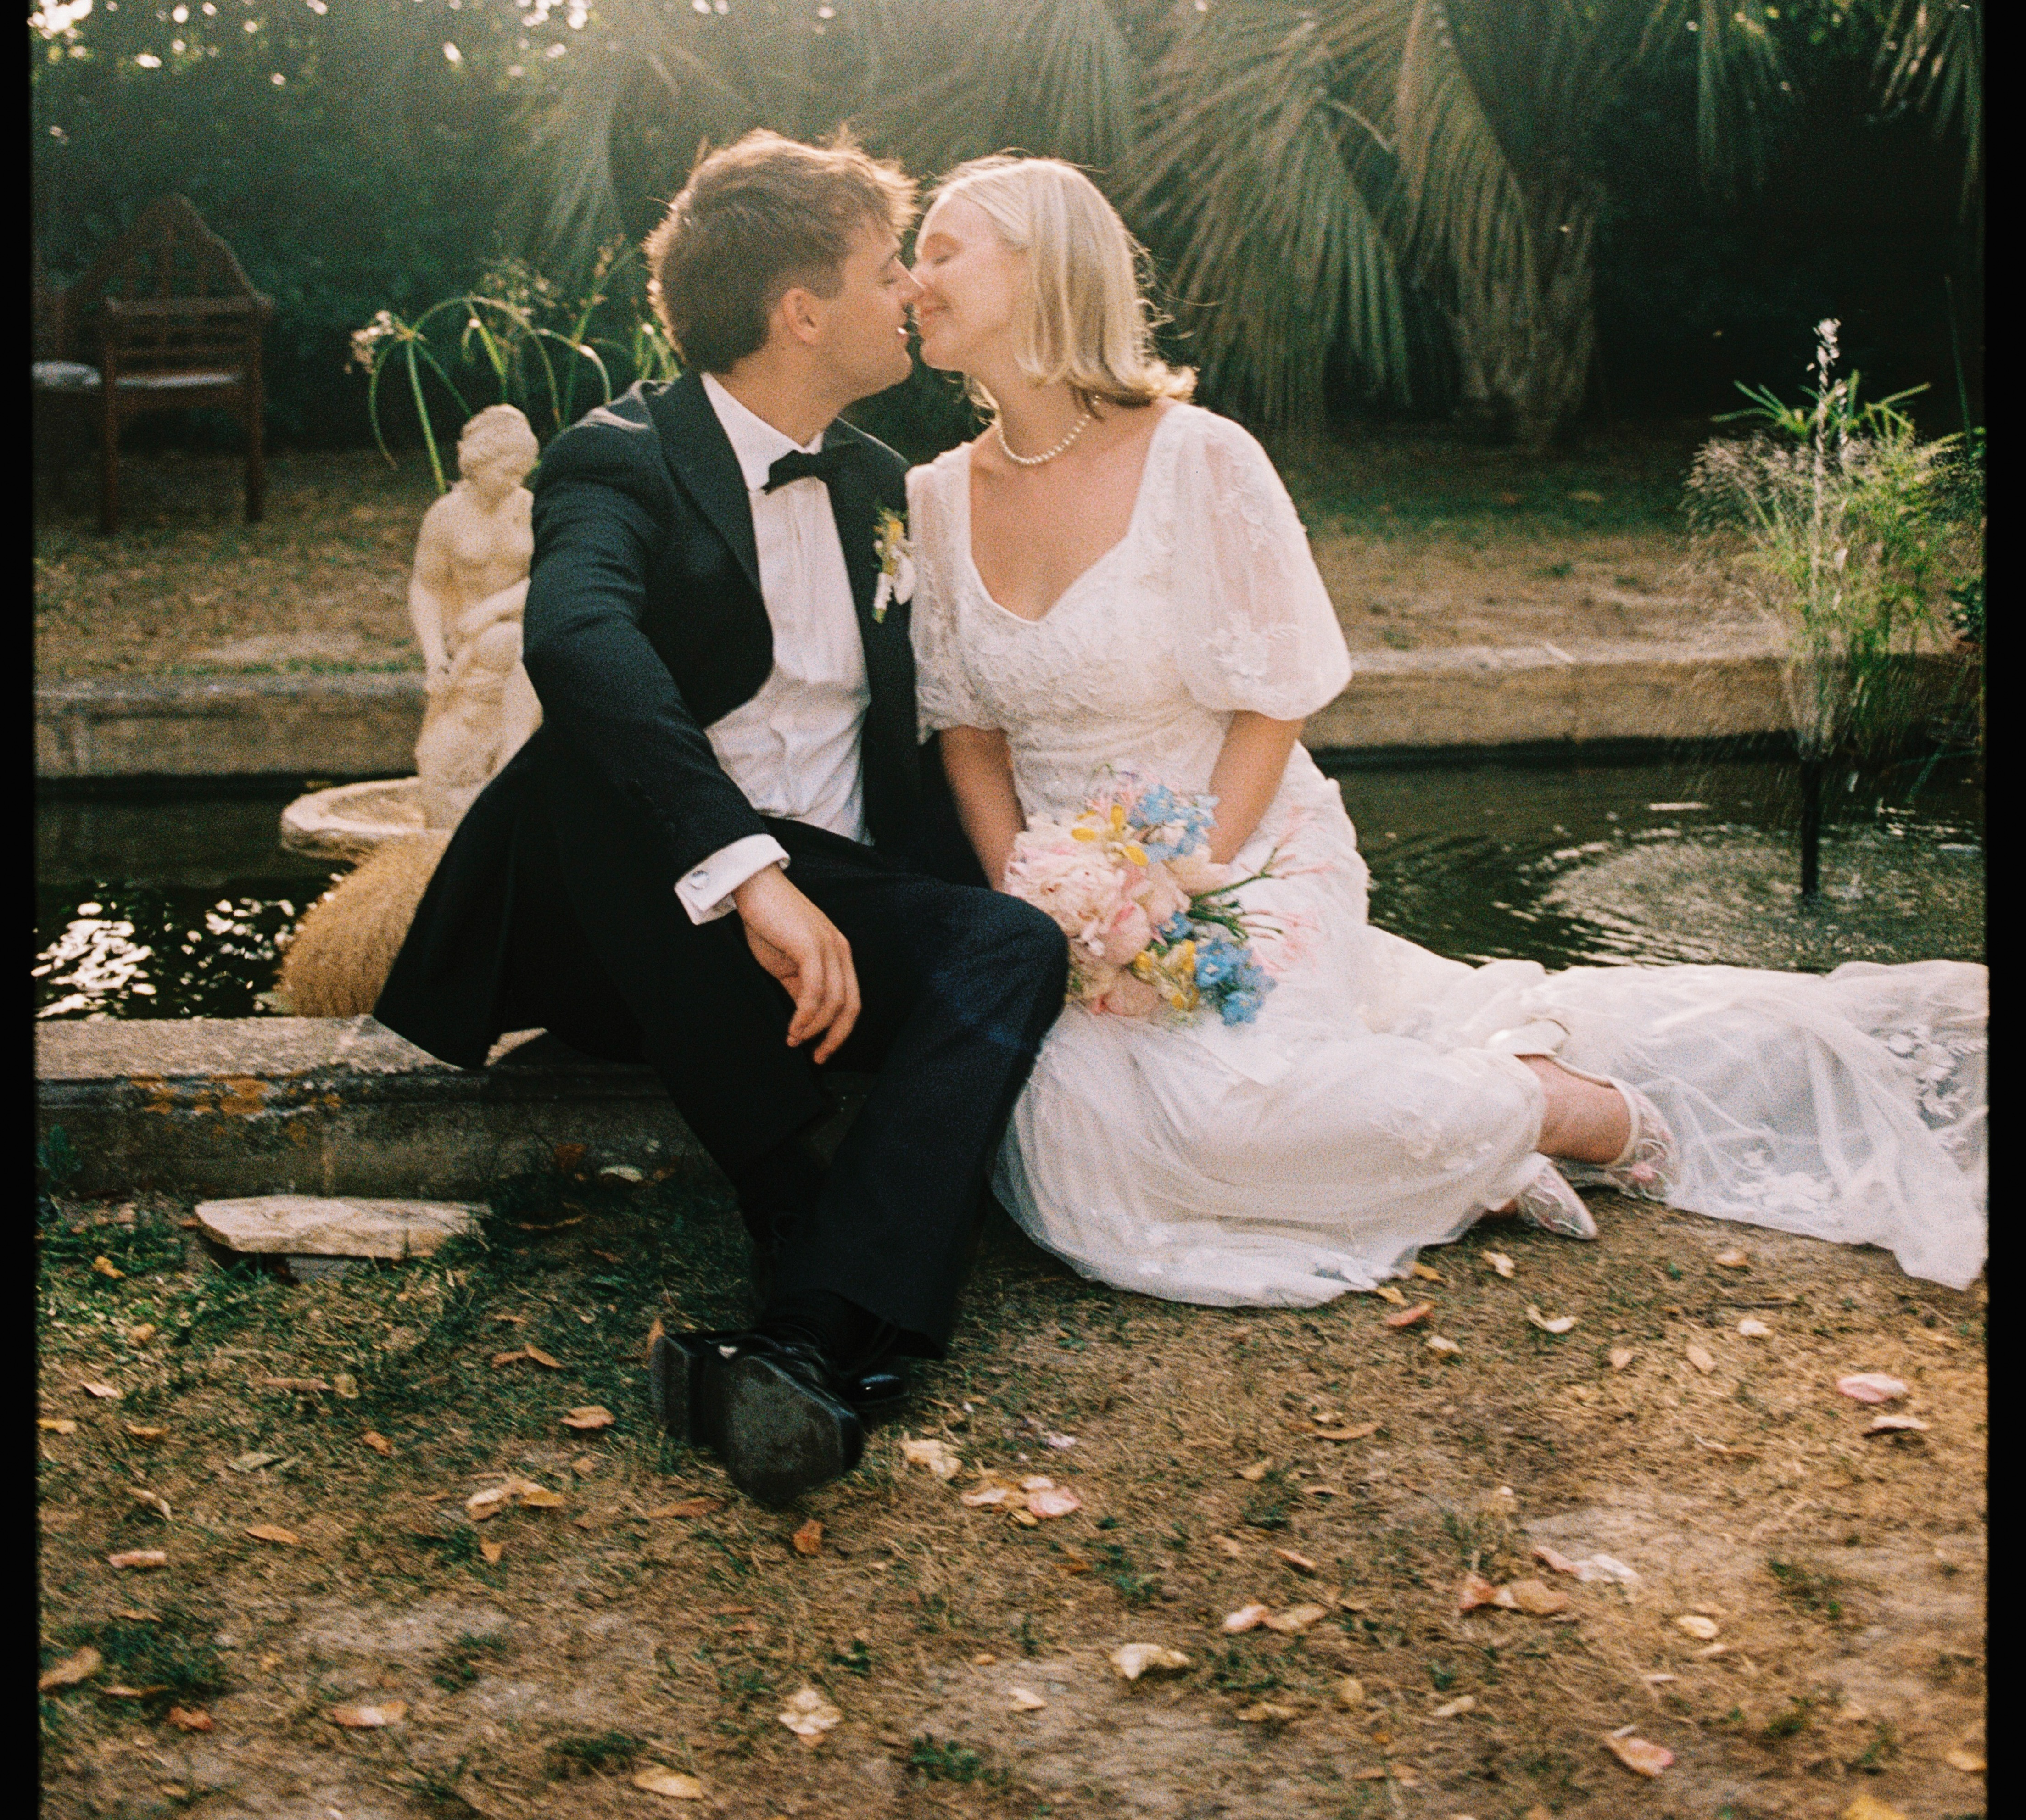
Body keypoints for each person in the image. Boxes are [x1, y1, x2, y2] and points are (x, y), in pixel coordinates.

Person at [904, 155, 1987, 1306]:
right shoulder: (933, 493)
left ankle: (1561, 1107)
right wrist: (1039, 919)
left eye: (940, 251)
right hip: (1063, 899)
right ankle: (1469, 1142)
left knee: (1220, 1112)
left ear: (1041, 267)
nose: (910, 280)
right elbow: (966, 735)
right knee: (1073, 1164)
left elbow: (1276, 698)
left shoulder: (1197, 457)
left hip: (1246, 850)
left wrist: (1185, 879)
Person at [374, 134, 1070, 1504]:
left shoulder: (876, 482)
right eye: (886, 273)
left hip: (835, 904)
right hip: (642, 926)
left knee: (1012, 948)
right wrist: (748, 871)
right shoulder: (616, 458)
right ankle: (793, 1199)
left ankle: (806, 1332)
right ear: (799, 310)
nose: (908, 297)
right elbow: (575, 639)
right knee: (592, 751)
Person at [408, 403, 543, 835]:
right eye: (507, 471)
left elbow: (549, 577)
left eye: (522, 472)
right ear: (478, 464)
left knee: (511, 639)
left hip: (517, 634)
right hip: (466, 648)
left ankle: (512, 760)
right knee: (440, 765)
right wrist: (434, 659)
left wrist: (496, 606)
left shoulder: (529, 509)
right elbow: (426, 587)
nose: (515, 482)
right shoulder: (446, 516)